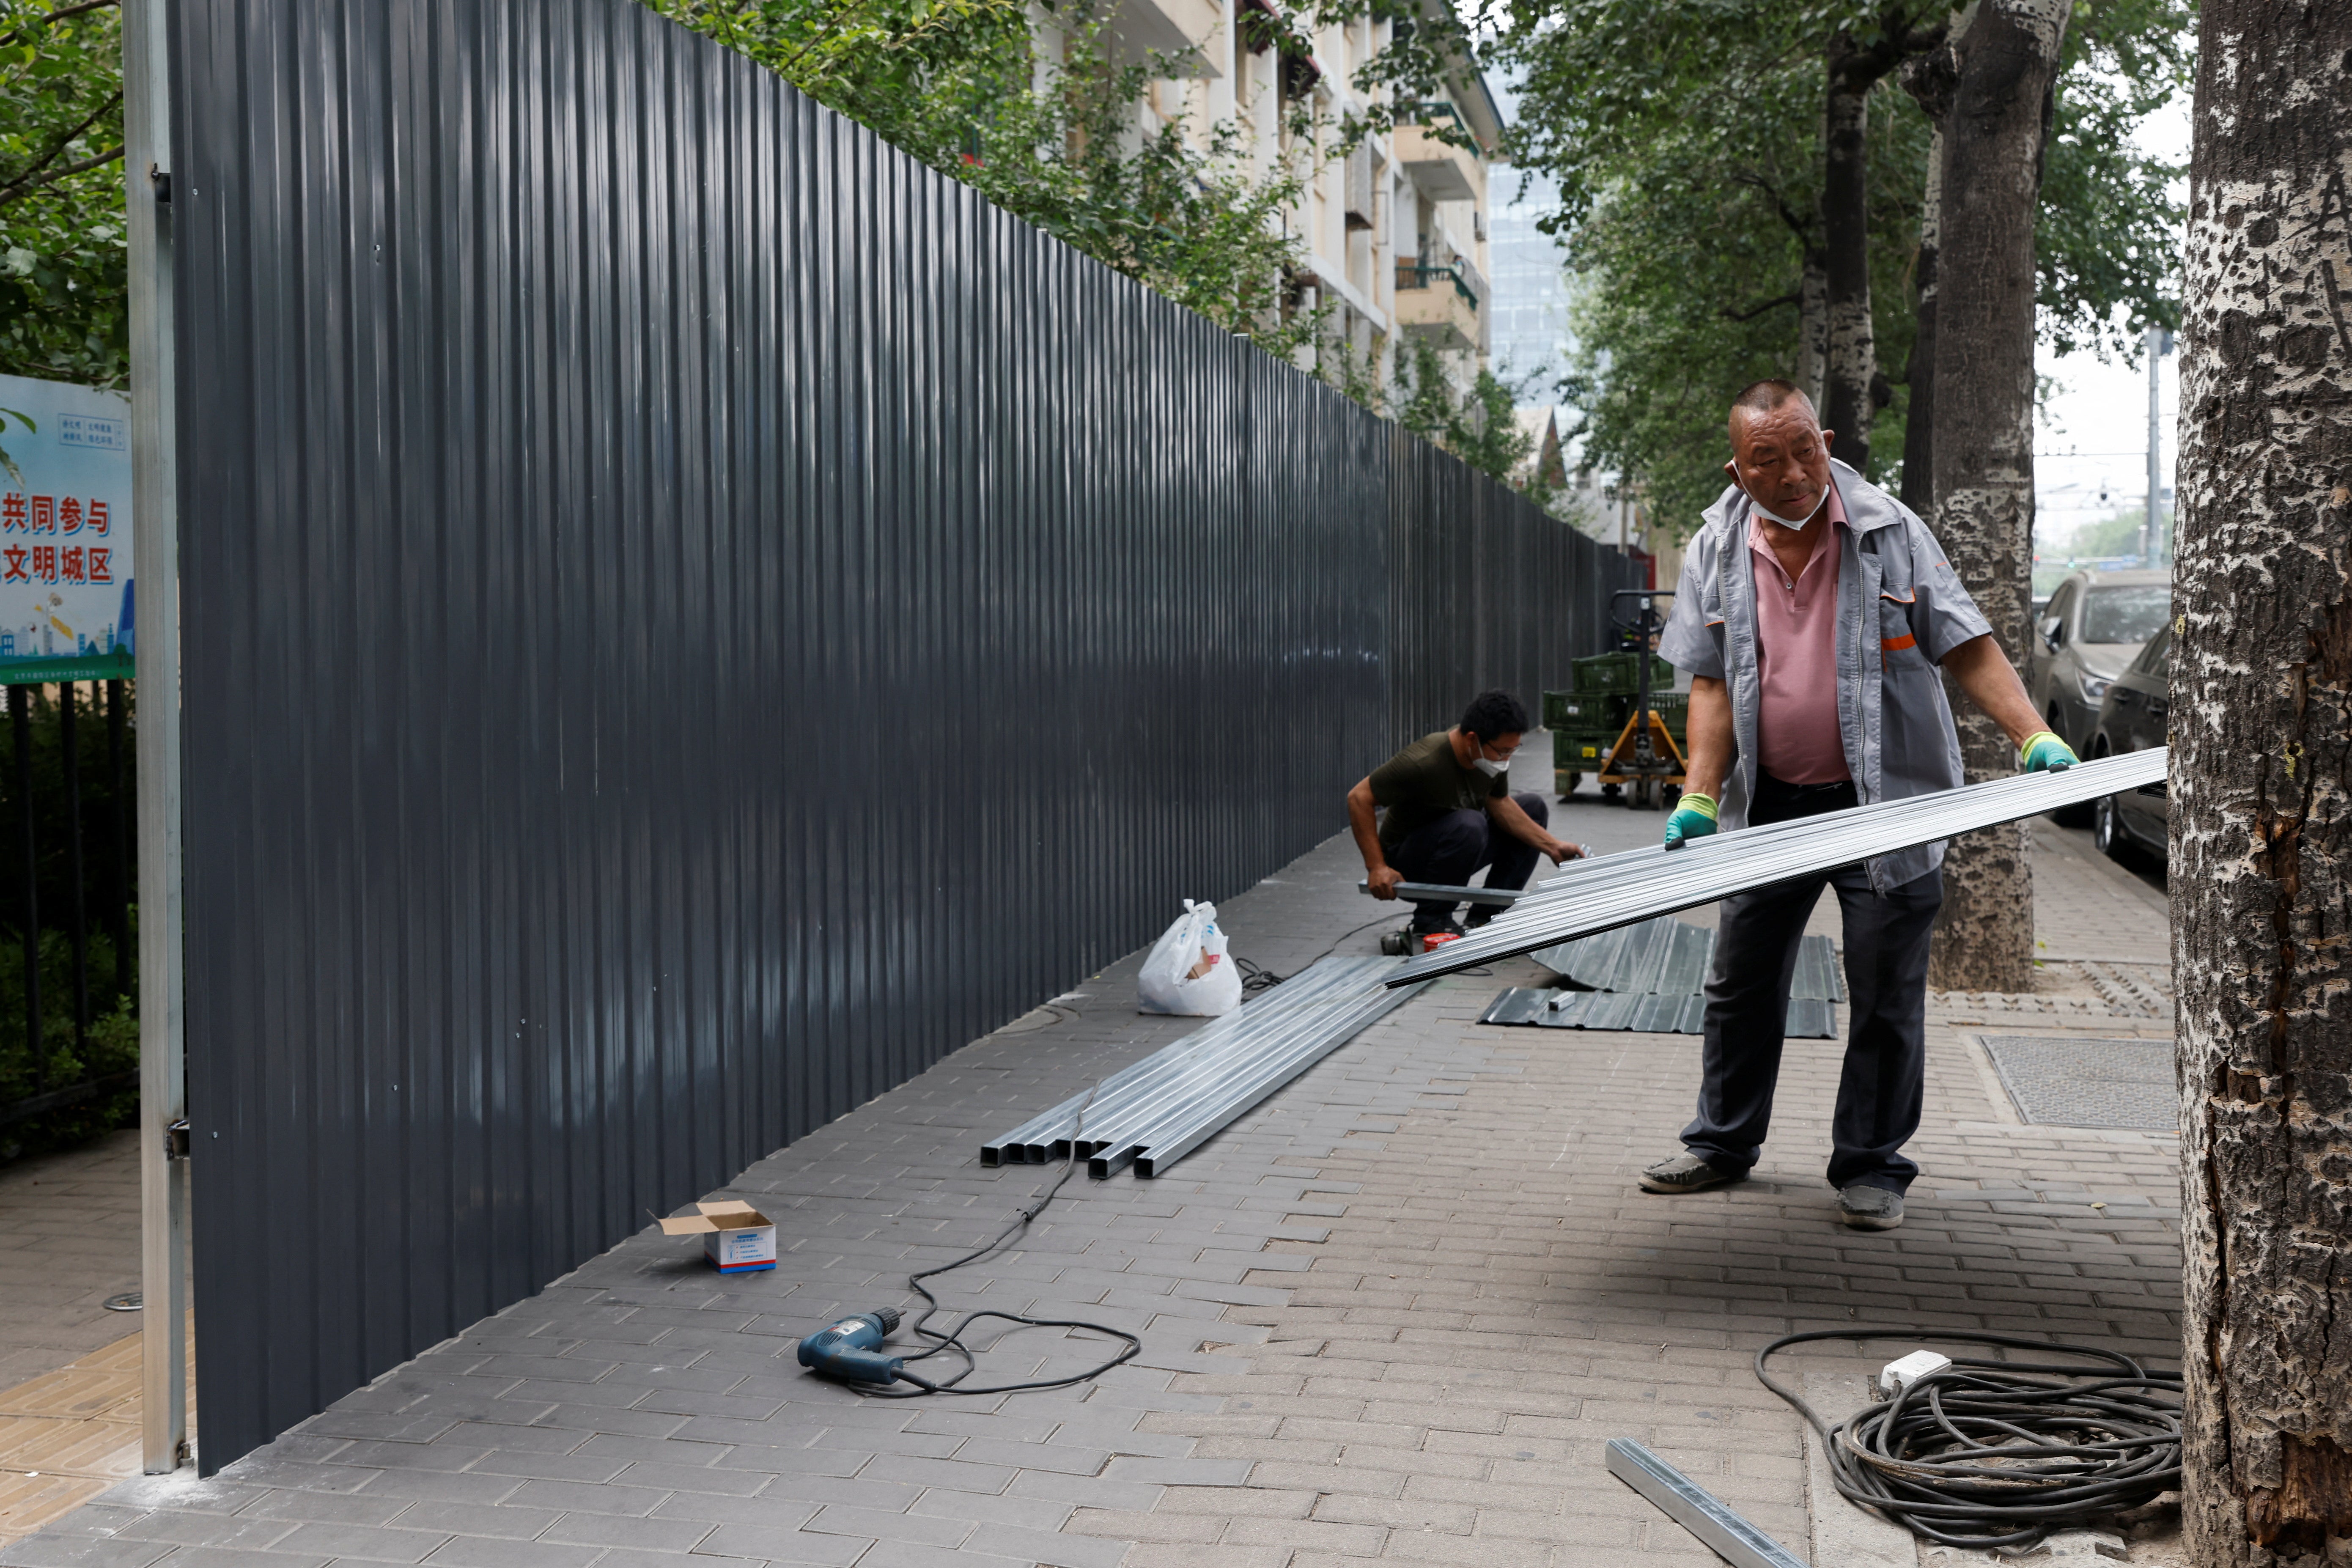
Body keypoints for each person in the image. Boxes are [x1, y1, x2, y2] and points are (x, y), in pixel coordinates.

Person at [1645, 381, 2077, 1231]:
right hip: (1767, 804)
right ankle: (1720, 1143)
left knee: (1882, 988)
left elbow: (1964, 640)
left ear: (1826, 439)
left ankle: (1871, 1164)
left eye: (1802, 448)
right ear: (1738, 470)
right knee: (1738, 980)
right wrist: (1698, 791)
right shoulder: (1715, 544)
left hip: (1887, 804)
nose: (1791, 472)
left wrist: (2032, 735)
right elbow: (1704, 677)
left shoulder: (1887, 530)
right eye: (1765, 458)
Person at [1348, 690, 1583, 939]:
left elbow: (1500, 803)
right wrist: (1376, 867)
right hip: (1407, 865)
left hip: (1455, 847)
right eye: (1503, 751)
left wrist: (1553, 847)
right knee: (1470, 824)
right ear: (1473, 739)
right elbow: (1359, 798)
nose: (1507, 759)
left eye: (1513, 750)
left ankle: (1488, 916)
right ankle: (1432, 921)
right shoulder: (1424, 761)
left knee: (1532, 807)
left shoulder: (1488, 759)